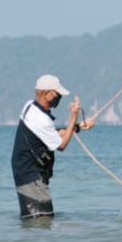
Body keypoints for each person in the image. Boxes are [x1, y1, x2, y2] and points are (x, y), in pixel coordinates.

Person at [12, 73, 92, 219]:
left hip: (25, 173)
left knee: (38, 224)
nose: (60, 97)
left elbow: (51, 133)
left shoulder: (30, 106)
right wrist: (72, 117)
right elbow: (61, 146)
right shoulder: (40, 118)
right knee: (42, 221)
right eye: (57, 94)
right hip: (31, 177)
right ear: (44, 94)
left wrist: (78, 126)